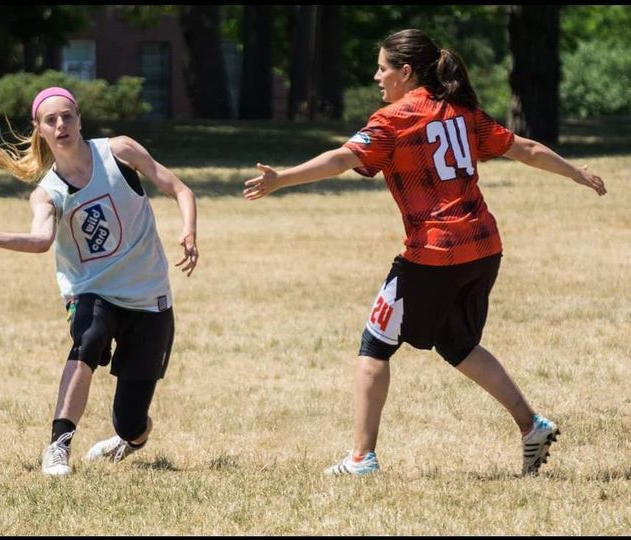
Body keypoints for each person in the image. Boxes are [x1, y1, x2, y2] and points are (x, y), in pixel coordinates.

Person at [243, 29, 606, 477]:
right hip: (484, 247)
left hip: (435, 252)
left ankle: (361, 458)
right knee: (457, 343)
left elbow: (342, 159)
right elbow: (526, 149)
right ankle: (531, 426)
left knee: (374, 345)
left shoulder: (394, 119)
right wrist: (575, 173)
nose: (377, 76)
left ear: (406, 71)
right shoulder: (463, 111)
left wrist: (282, 179)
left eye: (382, 67)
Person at [0, 87, 199, 476]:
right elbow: (41, 241)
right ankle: (58, 445)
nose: (61, 125)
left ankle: (130, 437)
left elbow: (179, 188)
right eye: (51, 120)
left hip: (148, 295)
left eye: (67, 116)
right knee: (90, 337)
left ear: (79, 119)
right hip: (91, 290)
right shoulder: (48, 193)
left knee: (130, 423)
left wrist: (189, 231)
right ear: (39, 129)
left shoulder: (119, 151)